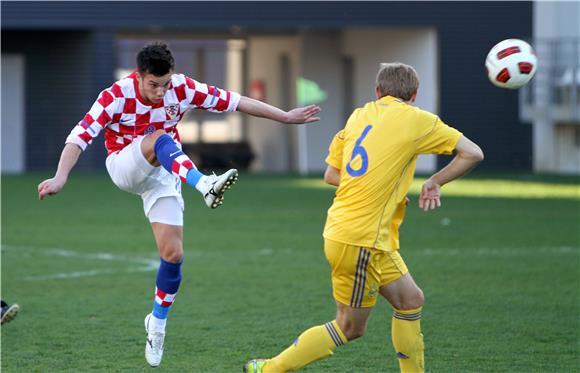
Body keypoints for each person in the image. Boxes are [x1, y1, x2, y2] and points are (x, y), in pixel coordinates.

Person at [37, 42, 320, 367]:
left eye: (165, 84)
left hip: (165, 173)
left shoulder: (183, 88)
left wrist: (284, 116)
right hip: (124, 165)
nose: (161, 92)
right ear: (139, 76)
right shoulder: (116, 95)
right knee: (160, 139)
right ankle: (205, 185)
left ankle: (156, 323)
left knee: (173, 254)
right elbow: (79, 136)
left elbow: (236, 101)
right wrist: (60, 177)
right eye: (153, 84)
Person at [244, 62, 484, 373]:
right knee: (349, 327)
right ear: (414, 94)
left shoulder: (359, 115)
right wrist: (434, 182)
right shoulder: (417, 119)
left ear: (377, 91)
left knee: (410, 300)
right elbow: (473, 153)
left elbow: (332, 173)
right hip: (361, 240)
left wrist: (379, 187)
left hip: (359, 234)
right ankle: (269, 369)